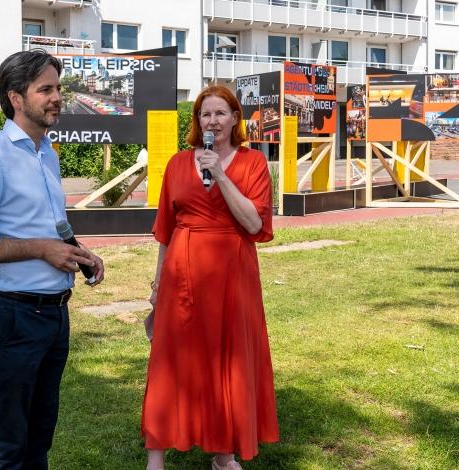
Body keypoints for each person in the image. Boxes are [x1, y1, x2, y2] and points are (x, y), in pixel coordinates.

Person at [0, 50, 105, 470]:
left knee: (39, 435)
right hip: (14, 316)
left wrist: (78, 252)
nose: (57, 98)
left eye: (58, 88)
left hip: (55, 314)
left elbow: (50, 225)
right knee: (7, 442)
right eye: (45, 89)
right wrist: (40, 249)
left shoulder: (46, 152)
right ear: (16, 98)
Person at [141, 85, 279, 470]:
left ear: (235, 119)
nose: (212, 121)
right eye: (205, 114)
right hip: (182, 272)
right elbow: (165, 231)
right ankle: (156, 459)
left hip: (233, 273)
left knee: (228, 359)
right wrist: (157, 286)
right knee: (171, 359)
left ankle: (223, 455)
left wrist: (219, 173)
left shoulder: (253, 163)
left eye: (220, 113)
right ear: (197, 121)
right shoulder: (176, 164)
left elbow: (254, 223)